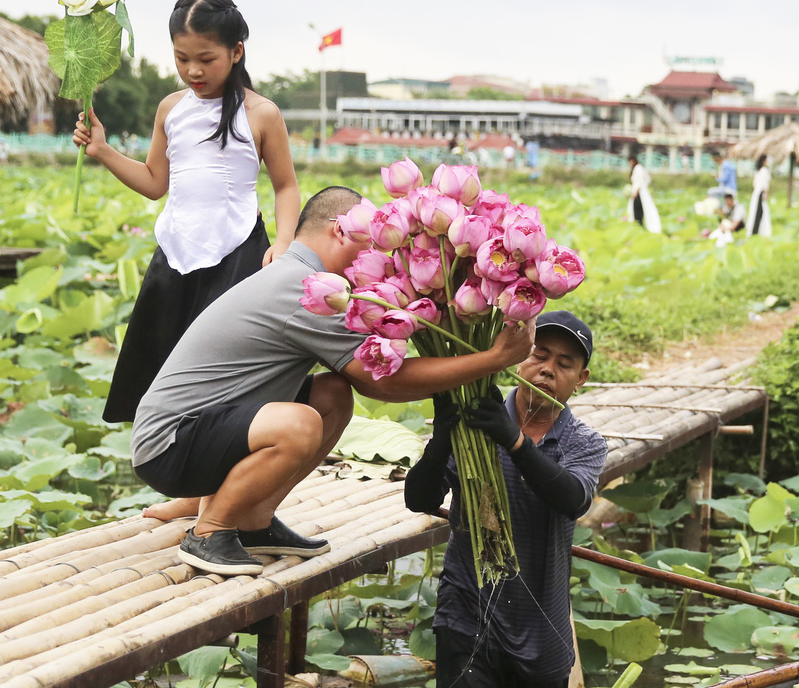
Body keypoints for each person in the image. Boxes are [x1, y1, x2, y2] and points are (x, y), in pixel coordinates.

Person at [130, 185, 534, 572]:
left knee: (333, 394)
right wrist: (493, 358)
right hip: (169, 444)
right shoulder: (307, 289)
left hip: (200, 433)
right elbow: (383, 382)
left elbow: (361, 383)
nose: (379, 249)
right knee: (300, 423)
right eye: (370, 237)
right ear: (341, 229)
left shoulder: (298, 275)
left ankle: (254, 520)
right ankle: (210, 532)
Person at [75, 0, 302, 428]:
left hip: (238, 256)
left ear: (236, 52)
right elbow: (154, 184)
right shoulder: (170, 109)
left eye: (206, 58)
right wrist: (102, 151)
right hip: (174, 257)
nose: (193, 70)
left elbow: (286, 185)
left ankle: (223, 472)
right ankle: (176, 471)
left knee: (225, 383)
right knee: (163, 379)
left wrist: (286, 244)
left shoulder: (262, 113)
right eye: (182, 58)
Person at [405, 311, 607, 688]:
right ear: (520, 358)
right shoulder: (480, 417)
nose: (547, 369)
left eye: (565, 363)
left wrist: (514, 441)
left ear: (581, 378)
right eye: (539, 354)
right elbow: (419, 498)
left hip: (542, 632)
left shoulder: (583, 441)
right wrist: (443, 435)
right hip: (468, 616)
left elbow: (571, 498)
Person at [626, 149, 663, 234]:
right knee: (639, 210)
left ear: (632, 161)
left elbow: (639, 182)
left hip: (638, 193)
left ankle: (639, 226)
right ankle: (639, 226)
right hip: (640, 192)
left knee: (638, 211)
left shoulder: (638, 168)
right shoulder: (639, 167)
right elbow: (647, 179)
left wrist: (636, 192)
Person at [748, 158, 774, 237]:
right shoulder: (764, 171)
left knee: (757, 212)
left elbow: (754, 184)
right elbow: (764, 184)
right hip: (760, 193)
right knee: (759, 212)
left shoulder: (758, 171)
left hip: (756, 193)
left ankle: (756, 230)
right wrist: (765, 192)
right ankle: (757, 231)